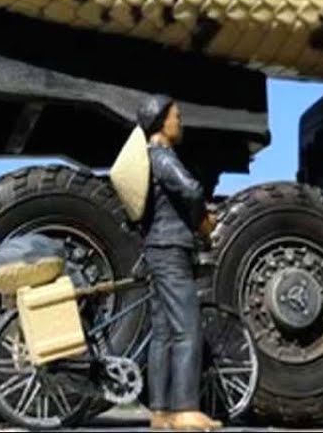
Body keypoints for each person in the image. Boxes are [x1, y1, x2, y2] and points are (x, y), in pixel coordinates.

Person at [137, 94, 221, 431]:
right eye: (177, 117)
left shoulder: (149, 158)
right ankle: (186, 409)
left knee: (163, 333)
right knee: (187, 327)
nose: (180, 122)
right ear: (161, 122)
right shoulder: (162, 157)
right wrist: (204, 221)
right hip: (171, 247)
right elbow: (190, 190)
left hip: (158, 247)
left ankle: (161, 411)